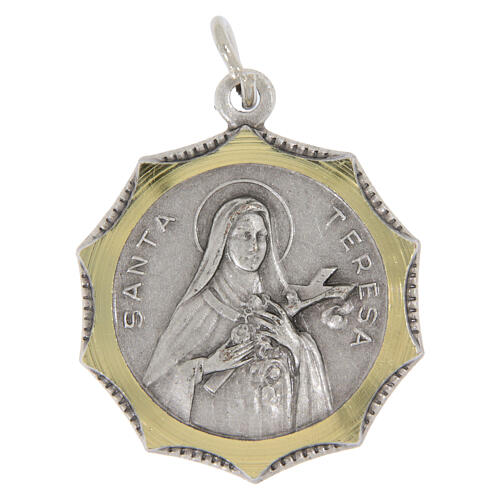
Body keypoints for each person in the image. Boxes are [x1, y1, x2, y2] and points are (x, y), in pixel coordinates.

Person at [143, 197, 333, 439]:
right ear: (224, 242)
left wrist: (295, 344)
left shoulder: (276, 306)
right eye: (244, 236)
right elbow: (157, 386)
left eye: (261, 237)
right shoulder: (200, 308)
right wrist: (208, 366)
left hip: (279, 430)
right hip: (220, 429)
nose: (255, 246)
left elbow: (311, 390)